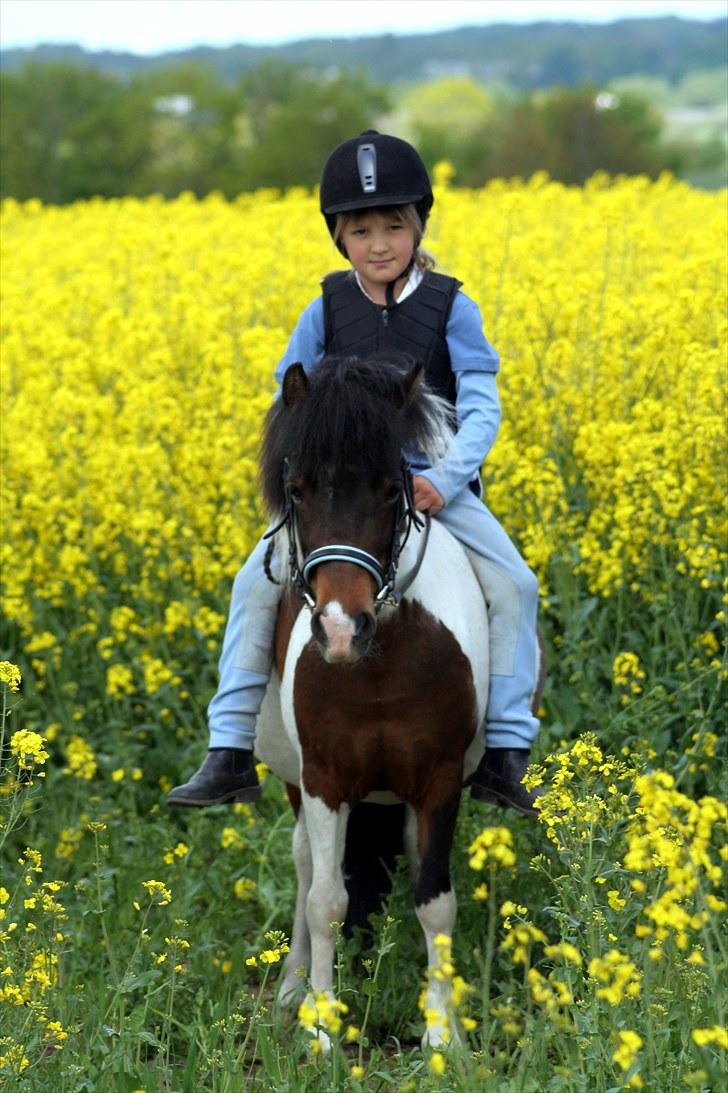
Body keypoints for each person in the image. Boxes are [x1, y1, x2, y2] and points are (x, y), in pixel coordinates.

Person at [168, 130, 542, 816]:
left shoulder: (453, 307)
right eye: (361, 229)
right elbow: (291, 399)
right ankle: (227, 750)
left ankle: (507, 752)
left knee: (516, 584)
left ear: (418, 226)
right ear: (340, 238)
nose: (378, 244)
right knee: (252, 582)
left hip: (429, 486)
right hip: (343, 496)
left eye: (393, 226)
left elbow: (484, 409)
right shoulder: (325, 309)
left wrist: (448, 478)